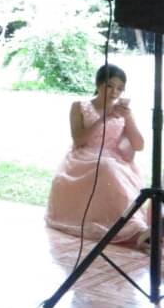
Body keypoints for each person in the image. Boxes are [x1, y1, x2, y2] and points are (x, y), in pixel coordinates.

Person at [46, 64, 148, 248]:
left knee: (111, 167)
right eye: (110, 86)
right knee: (106, 167)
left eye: (120, 88)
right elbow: (79, 139)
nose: (114, 92)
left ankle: (133, 226)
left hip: (114, 158)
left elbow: (139, 145)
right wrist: (105, 117)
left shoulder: (123, 112)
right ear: (98, 84)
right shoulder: (79, 107)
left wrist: (128, 118)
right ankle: (128, 228)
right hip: (84, 156)